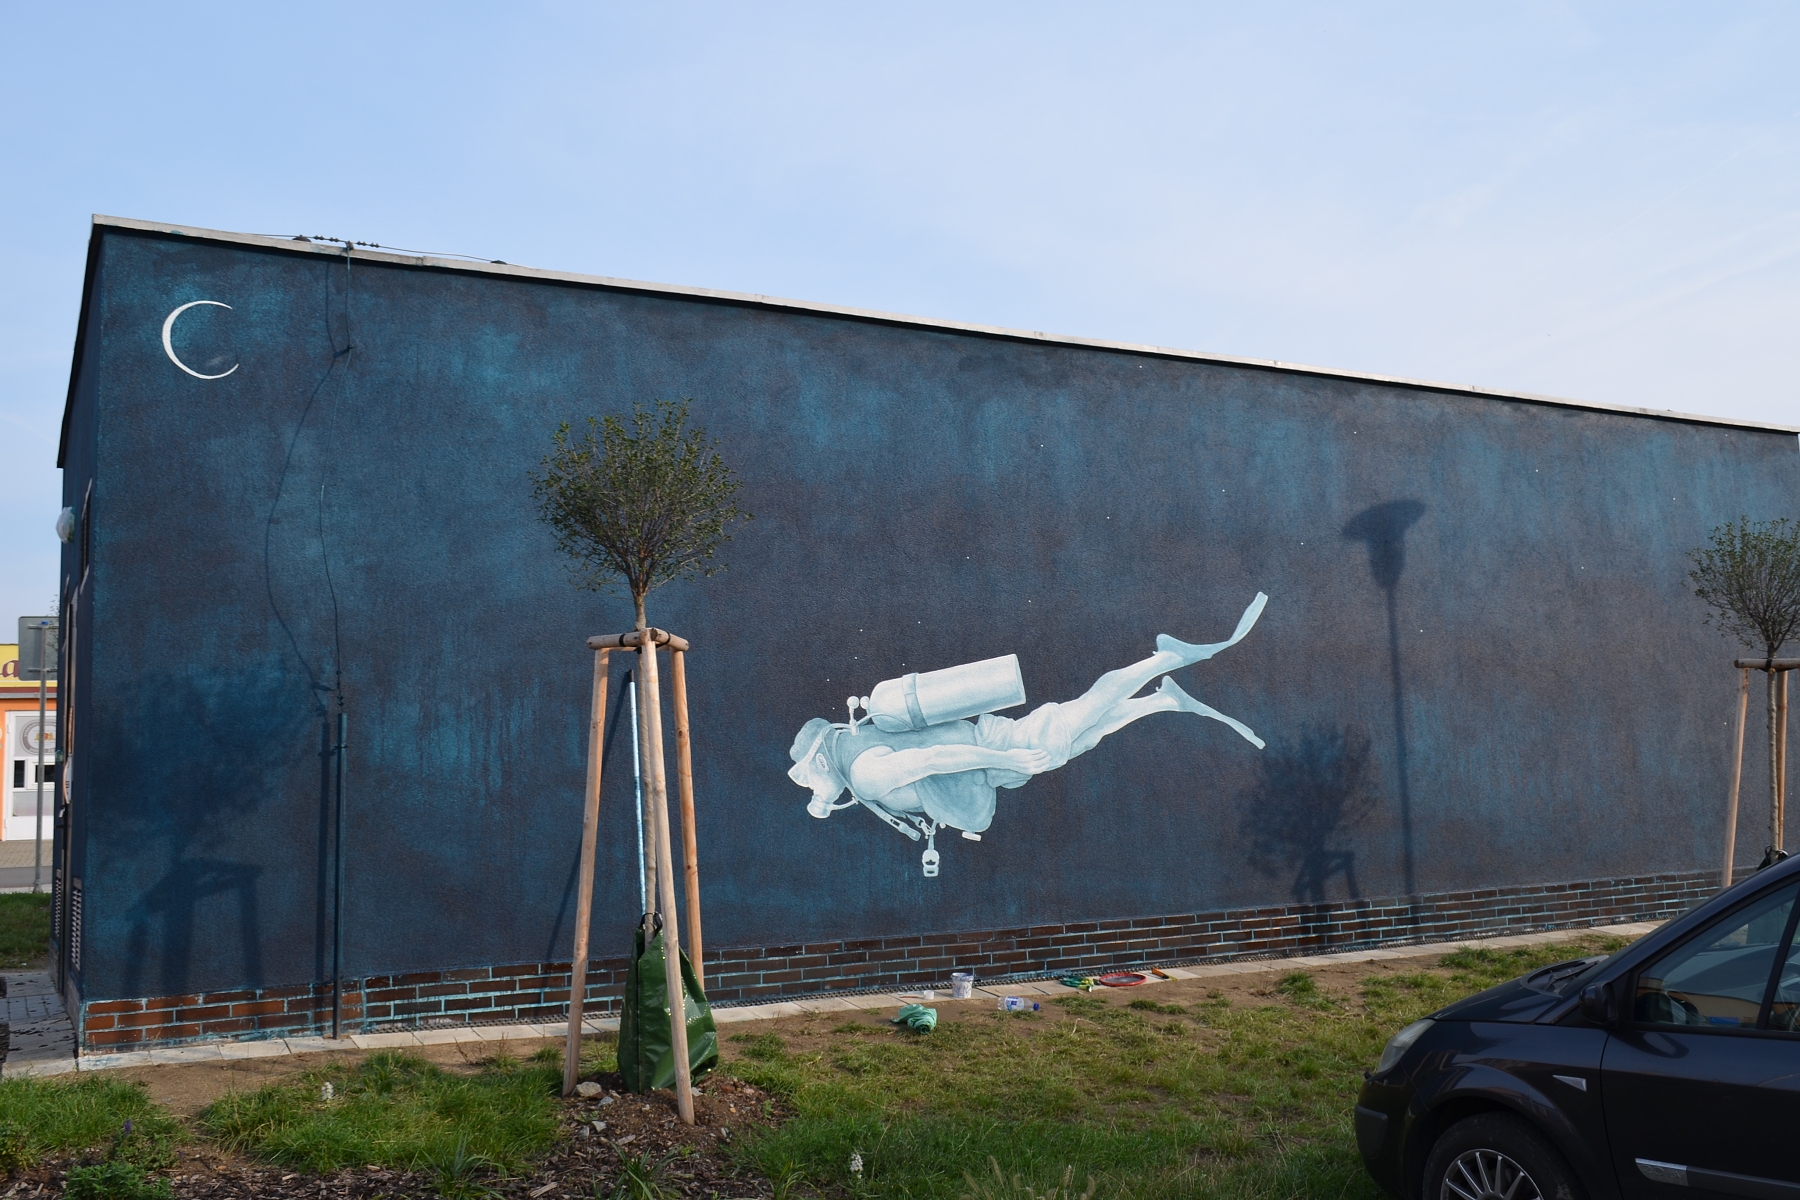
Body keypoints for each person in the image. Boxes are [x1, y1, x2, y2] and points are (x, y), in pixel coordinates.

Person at [787, 593, 1267, 869]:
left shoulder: (864, 774)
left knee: (1083, 711)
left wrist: (1007, 759)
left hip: (995, 751)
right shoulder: (857, 747)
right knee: (1080, 738)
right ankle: (1164, 699)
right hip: (992, 761)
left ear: (820, 759)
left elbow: (935, 759)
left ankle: (1165, 658)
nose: (812, 789)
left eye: (808, 778)